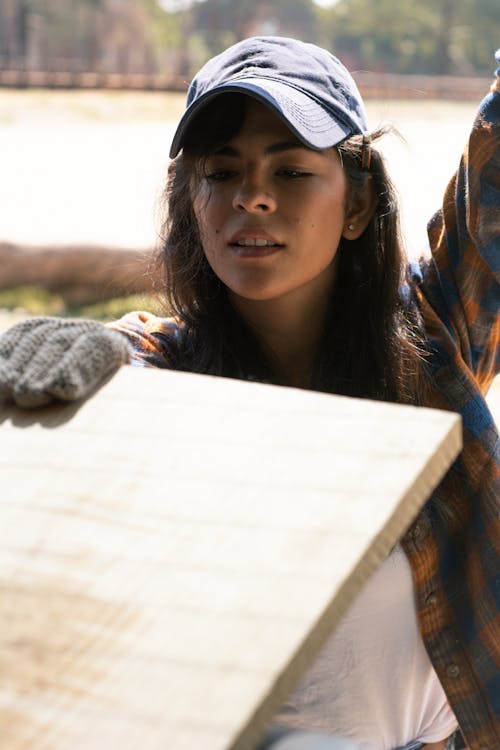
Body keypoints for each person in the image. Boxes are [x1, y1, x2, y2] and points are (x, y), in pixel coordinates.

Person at [0, 36, 498, 750]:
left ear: (357, 204)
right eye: (220, 171)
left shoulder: (434, 341)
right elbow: (126, 353)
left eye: (291, 171)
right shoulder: (162, 370)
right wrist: (74, 358)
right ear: (191, 203)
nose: (252, 196)